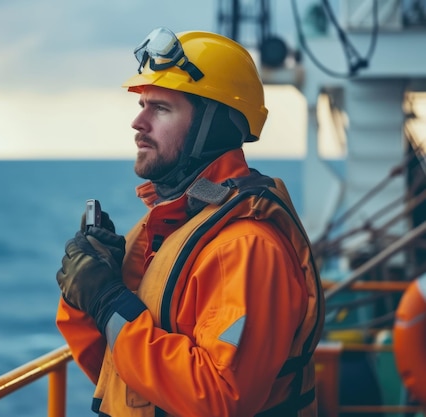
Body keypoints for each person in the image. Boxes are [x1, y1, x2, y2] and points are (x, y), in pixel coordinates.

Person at [55, 27, 325, 417]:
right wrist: (87, 293)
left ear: (210, 129)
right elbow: (118, 374)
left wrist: (108, 300)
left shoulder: (247, 248)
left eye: (160, 108)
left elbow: (220, 398)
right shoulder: (160, 230)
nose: (138, 122)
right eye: (142, 104)